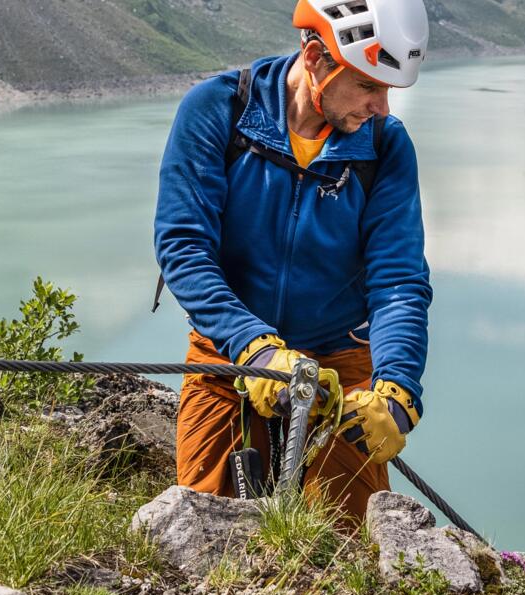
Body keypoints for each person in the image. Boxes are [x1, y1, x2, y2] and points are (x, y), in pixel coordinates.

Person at [155, 0, 433, 521]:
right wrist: (255, 349)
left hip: (343, 371)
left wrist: (395, 389)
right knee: (206, 529)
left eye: (389, 90)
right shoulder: (220, 111)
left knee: (343, 545)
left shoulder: (386, 147)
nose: (383, 108)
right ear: (315, 57)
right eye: (369, 85)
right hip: (231, 355)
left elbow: (397, 281)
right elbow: (184, 248)